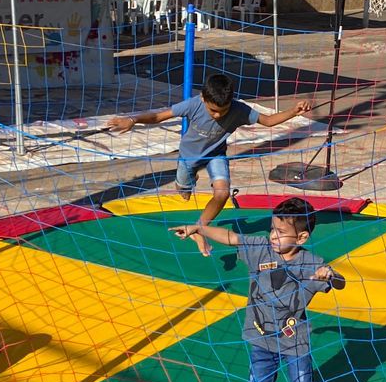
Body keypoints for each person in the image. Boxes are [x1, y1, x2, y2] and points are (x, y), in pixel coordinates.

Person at [170, 198, 346, 382]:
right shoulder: (260, 248)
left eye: (281, 232)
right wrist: (197, 228)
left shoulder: (310, 262)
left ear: (302, 237)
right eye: (272, 229)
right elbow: (230, 237)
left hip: (293, 338)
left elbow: (340, 283)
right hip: (260, 335)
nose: (274, 236)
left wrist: (330, 275)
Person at [110, 73, 312, 256]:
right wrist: (133, 119)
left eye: (222, 111)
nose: (217, 115)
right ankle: (188, 181)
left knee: (222, 193)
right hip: (188, 158)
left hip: (215, 155)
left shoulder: (239, 109)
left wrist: (294, 111)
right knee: (184, 191)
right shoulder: (193, 104)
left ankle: (199, 228)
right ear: (203, 99)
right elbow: (158, 116)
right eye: (213, 110)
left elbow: (268, 121)